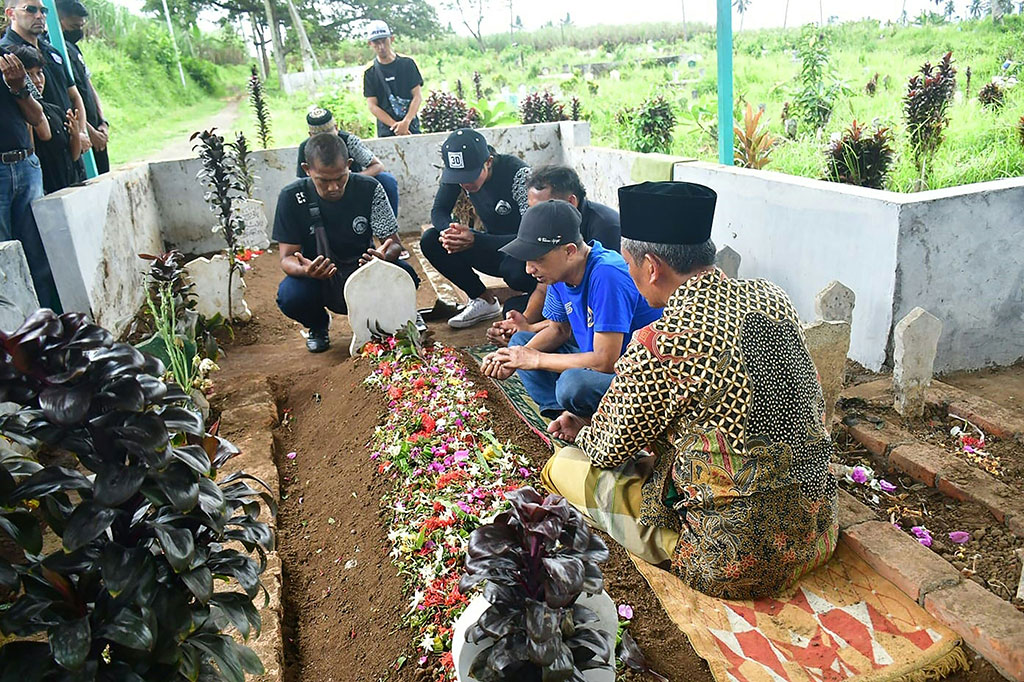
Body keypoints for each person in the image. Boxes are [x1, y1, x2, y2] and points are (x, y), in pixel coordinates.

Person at [541, 182, 838, 601]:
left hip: (732, 559)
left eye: (629, 265)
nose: (629, 274)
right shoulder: (773, 297)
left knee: (564, 465)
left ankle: (672, 539)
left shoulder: (660, 341)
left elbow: (607, 452)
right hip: (818, 530)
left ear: (652, 267)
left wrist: (583, 430)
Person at [480, 200, 660, 420]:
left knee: (572, 384)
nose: (529, 269)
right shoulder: (558, 275)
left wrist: (535, 359)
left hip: (633, 374)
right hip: (594, 362)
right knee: (519, 343)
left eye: (538, 259)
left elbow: (606, 361)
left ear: (569, 251)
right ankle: (563, 413)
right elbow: (558, 330)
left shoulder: (606, 274)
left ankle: (581, 419)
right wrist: (512, 357)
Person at [272, 133, 420, 353]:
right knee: (291, 296)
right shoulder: (292, 197)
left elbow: (394, 244)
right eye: (323, 180)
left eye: (340, 177)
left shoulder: (369, 188)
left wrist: (382, 258)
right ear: (307, 170)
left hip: (363, 270)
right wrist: (306, 269)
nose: (333, 187)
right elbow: (287, 257)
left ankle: (383, 324)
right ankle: (318, 325)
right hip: (319, 275)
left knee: (405, 277)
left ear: (350, 165)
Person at [489, 165, 621, 344]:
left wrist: (533, 334)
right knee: (516, 319)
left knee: (572, 371)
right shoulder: (556, 265)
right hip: (575, 307)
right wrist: (523, 323)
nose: (533, 215)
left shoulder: (606, 229)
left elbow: (592, 308)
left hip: (603, 313)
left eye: (542, 207)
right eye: (530, 208)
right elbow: (546, 289)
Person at [420, 128, 534, 329]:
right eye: (458, 177)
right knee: (431, 239)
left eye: (470, 176)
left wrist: (475, 239)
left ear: (488, 162)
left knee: (514, 273)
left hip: (523, 252)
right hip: (492, 247)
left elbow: (533, 235)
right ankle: (484, 300)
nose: (464, 183)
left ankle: (536, 299)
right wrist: (450, 232)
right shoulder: (460, 177)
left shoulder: (518, 174)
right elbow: (439, 211)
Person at [2, 0, 89, 183]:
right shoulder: (8, 57)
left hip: (69, 149)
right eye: (31, 10)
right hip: (40, 159)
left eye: (44, 10)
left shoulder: (52, 51)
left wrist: (80, 133)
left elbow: (73, 95)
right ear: (11, 13)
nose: (39, 15)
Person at [0, 46, 60, 310]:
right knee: (4, 261)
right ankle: (15, 339)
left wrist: (17, 86)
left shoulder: (9, 59)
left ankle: (46, 327)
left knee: (38, 255)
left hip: (25, 165)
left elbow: (37, 118)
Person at [296, 107, 399, 218]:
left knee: (386, 180)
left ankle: (388, 227)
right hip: (323, 192)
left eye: (329, 135)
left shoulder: (349, 141)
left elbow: (378, 166)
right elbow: (304, 182)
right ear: (310, 135)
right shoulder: (305, 148)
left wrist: (350, 178)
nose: (326, 142)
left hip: (352, 187)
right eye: (319, 138)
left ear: (336, 128)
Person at [13, 45, 81, 194]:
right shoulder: (22, 115)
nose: (37, 80)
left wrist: (75, 134)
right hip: (45, 190)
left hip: (68, 185)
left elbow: (73, 155)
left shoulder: (55, 110)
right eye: (29, 75)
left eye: (39, 73)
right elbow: (45, 133)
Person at [57, 0, 109, 174]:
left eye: (81, 25)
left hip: (95, 130)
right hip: (82, 136)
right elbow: (66, 100)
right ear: (59, 19)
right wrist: (89, 131)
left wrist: (102, 123)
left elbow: (88, 85)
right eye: (74, 25)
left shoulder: (75, 50)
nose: (78, 30)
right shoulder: (54, 51)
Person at [362, 20, 422, 138]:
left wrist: (406, 122)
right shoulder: (370, 73)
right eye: (376, 42)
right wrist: (396, 126)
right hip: (386, 129)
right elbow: (372, 105)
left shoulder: (408, 64)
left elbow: (417, 96)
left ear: (392, 39)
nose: (381, 47)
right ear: (370, 44)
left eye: (384, 41)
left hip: (411, 125)